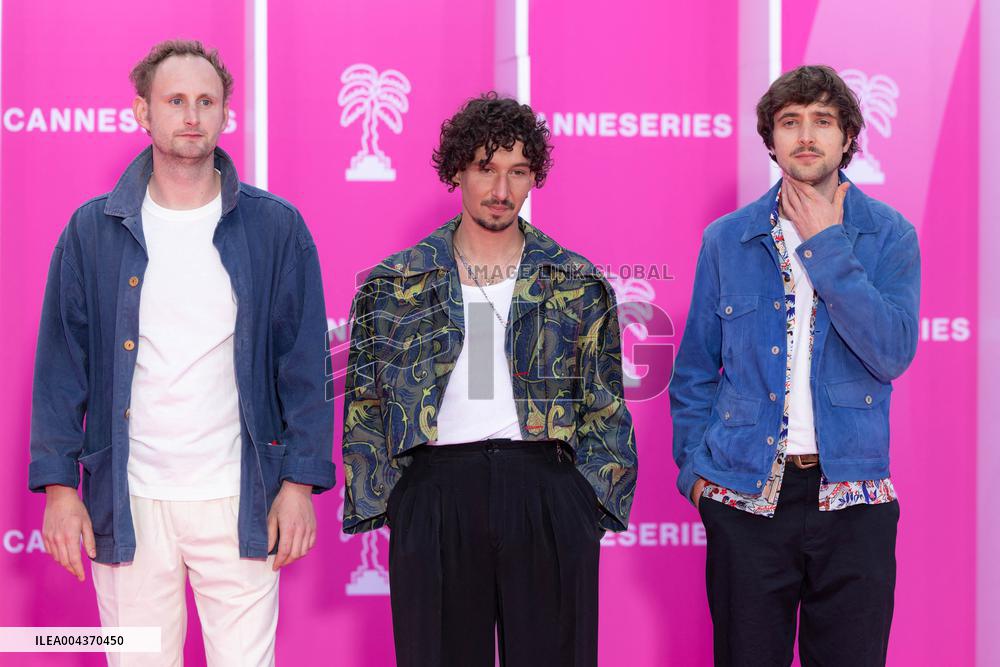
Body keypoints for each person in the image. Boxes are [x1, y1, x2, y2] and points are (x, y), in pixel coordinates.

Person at [28, 40, 335, 666]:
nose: (191, 115)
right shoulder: (93, 229)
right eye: (175, 101)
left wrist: (299, 484)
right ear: (143, 113)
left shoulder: (276, 229)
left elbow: (304, 366)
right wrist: (61, 491)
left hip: (240, 498)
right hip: (130, 498)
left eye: (206, 101)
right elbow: (62, 368)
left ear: (225, 114)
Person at [342, 92, 637, 667]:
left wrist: (586, 504)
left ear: (534, 179)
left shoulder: (576, 280)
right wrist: (396, 504)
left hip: (546, 491)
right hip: (435, 492)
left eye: (518, 172)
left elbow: (606, 406)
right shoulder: (392, 284)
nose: (501, 190)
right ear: (457, 170)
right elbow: (365, 404)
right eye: (486, 168)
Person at [670, 65, 920, 667]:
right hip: (746, 501)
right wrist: (698, 481)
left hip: (854, 501)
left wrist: (826, 246)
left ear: (847, 137)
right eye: (790, 122)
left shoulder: (889, 236)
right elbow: (695, 373)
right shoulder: (727, 239)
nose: (806, 136)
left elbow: (891, 352)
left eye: (822, 122)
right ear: (771, 138)